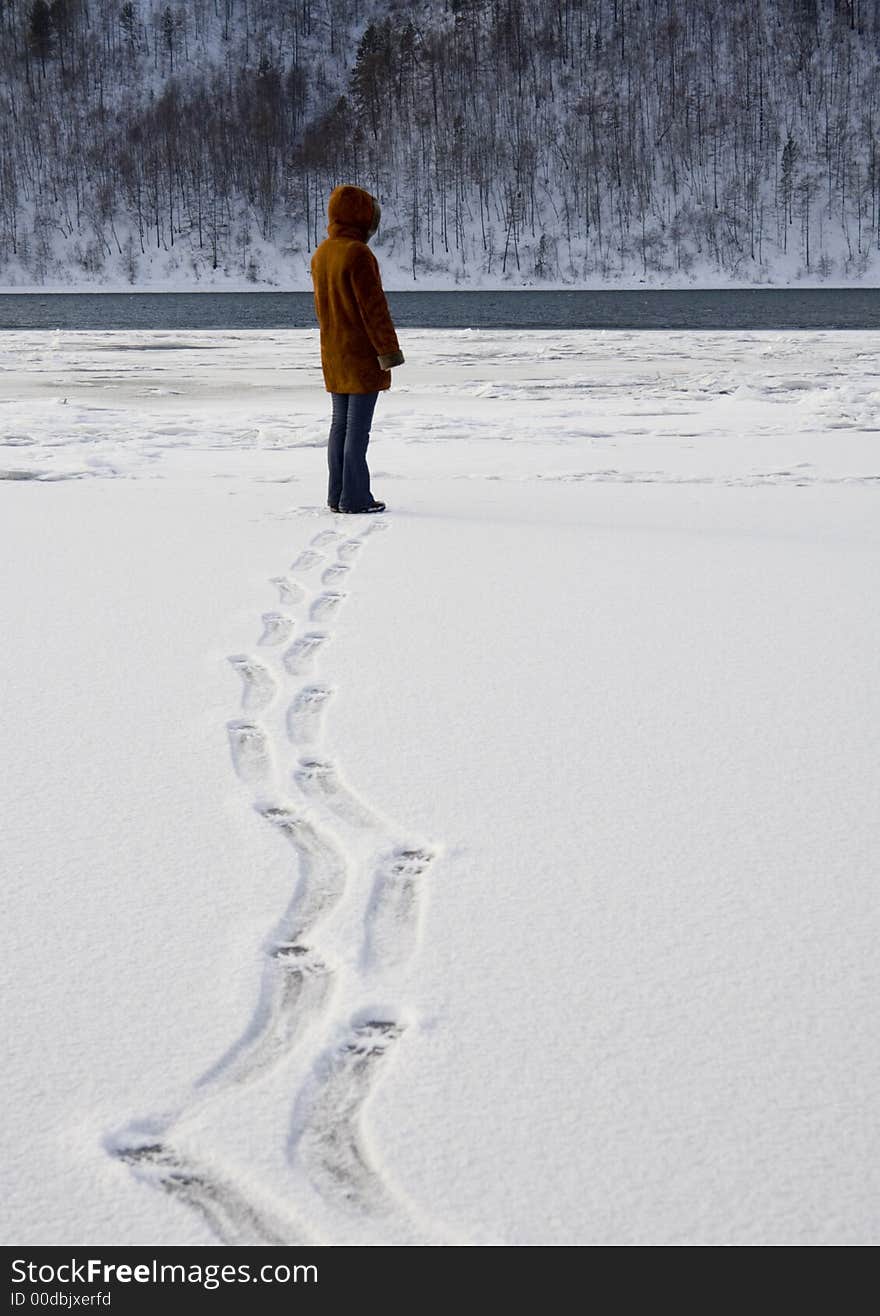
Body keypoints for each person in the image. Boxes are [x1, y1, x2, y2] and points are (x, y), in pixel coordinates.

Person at [310, 185, 405, 514]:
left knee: (340, 425)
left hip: (334, 352)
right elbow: (373, 309)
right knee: (357, 429)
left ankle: (337, 494)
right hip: (361, 354)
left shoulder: (322, 253)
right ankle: (355, 497)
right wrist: (389, 352)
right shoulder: (358, 254)